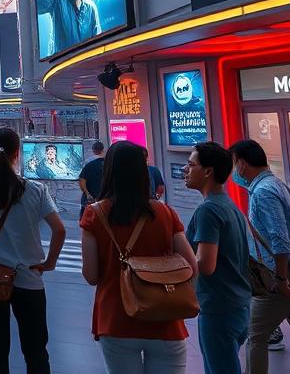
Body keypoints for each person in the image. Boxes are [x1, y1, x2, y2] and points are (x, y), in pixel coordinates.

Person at [80, 141, 198, 373]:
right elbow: (191, 265)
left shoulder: (94, 215)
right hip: (165, 317)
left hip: (116, 319)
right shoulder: (164, 213)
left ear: (109, 171)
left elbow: (92, 276)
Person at [0, 127, 66, 373]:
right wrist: (49, 262)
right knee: (36, 351)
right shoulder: (36, 189)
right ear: (17, 153)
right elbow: (59, 230)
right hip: (30, 279)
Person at [230, 138, 290, 373]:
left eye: (235, 163)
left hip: (285, 277)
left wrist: (281, 278)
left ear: (243, 164)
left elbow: (280, 239)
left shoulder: (263, 192)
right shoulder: (278, 185)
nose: (234, 170)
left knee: (255, 336)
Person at [183, 141, 252, 374]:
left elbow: (206, 264)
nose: (185, 169)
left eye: (191, 165)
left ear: (208, 171)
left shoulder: (209, 210)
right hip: (238, 304)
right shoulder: (228, 205)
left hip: (218, 308)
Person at [78, 141, 105, 218]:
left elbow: (82, 180)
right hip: (105, 198)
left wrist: (87, 194)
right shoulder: (109, 162)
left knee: (87, 220)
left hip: (91, 198)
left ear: (93, 150)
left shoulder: (88, 162)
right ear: (103, 149)